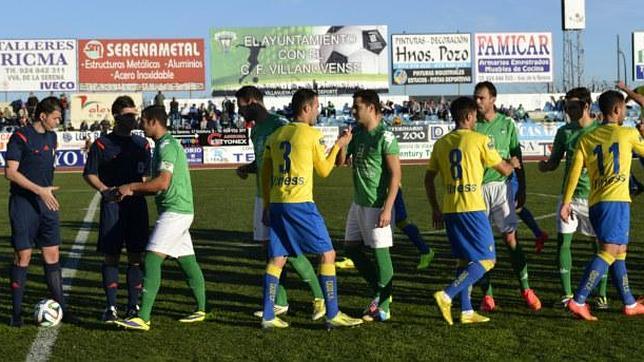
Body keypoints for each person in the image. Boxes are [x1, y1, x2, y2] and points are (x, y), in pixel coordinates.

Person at [259, 89, 362, 329]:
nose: (318, 111)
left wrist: (266, 204)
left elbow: (265, 173)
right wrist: (339, 144)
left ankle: (267, 315)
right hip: (300, 203)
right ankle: (332, 313)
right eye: (316, 106)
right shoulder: (311, 134)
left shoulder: (275, 135)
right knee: (328, 254)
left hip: (277, 203)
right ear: (306, 108)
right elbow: (325, 170)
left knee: (277, 258)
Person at [234, 86, 326, 320]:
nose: (239, 111)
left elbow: (290, 160)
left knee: (289, 251)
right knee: (271, 251)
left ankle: (319, 297)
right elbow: (265, 162)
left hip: (283, 198)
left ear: (253, 101)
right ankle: (281, 302)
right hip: (263, 196)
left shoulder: (280, 125)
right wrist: (248, 168)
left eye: (241, 105)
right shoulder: (255, 131)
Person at [426, 96, 518, 325]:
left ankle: (466, 311)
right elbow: (504, 170)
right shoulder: (480, 140)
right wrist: (513, 164)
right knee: (487, 260)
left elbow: (428, 179)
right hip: (472, 208)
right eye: (475, 116)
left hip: (450, 208)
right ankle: (447, 294)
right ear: (468, 117)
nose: (476, 119)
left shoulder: (441, 143)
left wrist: (435, 208)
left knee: (464, 260)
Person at [115, 106, 208, 331]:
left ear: (153, 121)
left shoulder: (166, 146)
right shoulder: (162, 146)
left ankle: (143, 317)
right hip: (179, 209)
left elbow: (162, 183)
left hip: (176, 211)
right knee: (187, 260)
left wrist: (132, 187)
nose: (140, 125)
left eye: (143, 122)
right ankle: (202, 309)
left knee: (152, 259)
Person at [560, 89, 644, 321]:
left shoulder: (587, 139)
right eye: (625, 109)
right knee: (609, 251)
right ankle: (578, 300)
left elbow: (574, 172)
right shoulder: (627, 134)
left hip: (596, 202)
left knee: (619, 252)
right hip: (615, 201)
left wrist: (566, 202)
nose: (626, 113)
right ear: (617, 110)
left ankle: (628, 302)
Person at [83, 96, 151, 323]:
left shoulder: (142, 145)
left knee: (135, 257)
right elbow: (89, 173)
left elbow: (146, 176)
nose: (134, 119)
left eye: (135, 114)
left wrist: (137, 188)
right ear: (116, 116)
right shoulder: (102, 144)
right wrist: (105, 190)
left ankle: (133, 306)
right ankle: (110, 307)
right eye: (129, 115)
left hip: (137, 206)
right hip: (112, 206)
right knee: (111, 256)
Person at [474, 81, 541, 311]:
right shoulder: (472, 125)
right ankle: (488, 296)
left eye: (482, 98)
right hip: (477, 191)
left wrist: (522, 188)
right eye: (476, 97)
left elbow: (517, 155)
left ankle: (526, 289)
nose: (478, 102)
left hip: (502, 188)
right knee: (481, 246)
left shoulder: (506, 124)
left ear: (493, 99)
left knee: (511, 240)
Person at [5, 97, 71, 326]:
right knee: (23, 255)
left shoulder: (53, 137)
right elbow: (10, 173)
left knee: (52, 255)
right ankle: (16, 314)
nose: (59, 121)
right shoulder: (20, 137)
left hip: (47, 203)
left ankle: (61, 307)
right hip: (24, 203)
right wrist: (39, 190)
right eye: (55, 117)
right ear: (42, 116)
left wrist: (46, 193)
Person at [538, 87, 607, 308]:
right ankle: (567, 295)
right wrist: (545, 166)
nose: (568, 111)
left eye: (573, 107)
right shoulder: (564, 132)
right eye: (566, 107)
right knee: (563, 243)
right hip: (568, 197)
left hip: (595, 197)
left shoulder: (602, 130)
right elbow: (554, 161)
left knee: (599, 246)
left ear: (586, 106)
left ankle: (602, 294)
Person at [336, 89, 401, 322]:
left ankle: (383, 305)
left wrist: (387, 208)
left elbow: (396, 176)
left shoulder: (385, 136)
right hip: (358, 203)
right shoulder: (359, 134)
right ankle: (382, 291)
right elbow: (341, 163)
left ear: (371, 108)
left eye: (357, 107)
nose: (353, 111)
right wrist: (343, 143)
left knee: (380, 254)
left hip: (376, 204)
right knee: (351, 249)